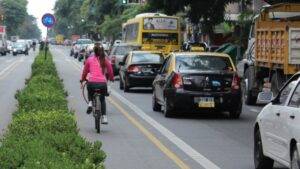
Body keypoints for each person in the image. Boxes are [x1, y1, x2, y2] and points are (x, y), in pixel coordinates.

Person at [80, 45, 114, 124]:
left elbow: (85, 72)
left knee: (90, 91)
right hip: (102, 84)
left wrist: (82, 80)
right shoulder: (105, 60)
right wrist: (111, 78)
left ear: (94, 51)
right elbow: (110, 71)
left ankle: (90, 103)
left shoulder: (89, 59)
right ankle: (104, 117)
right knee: (102, 99)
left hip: (91, 83)